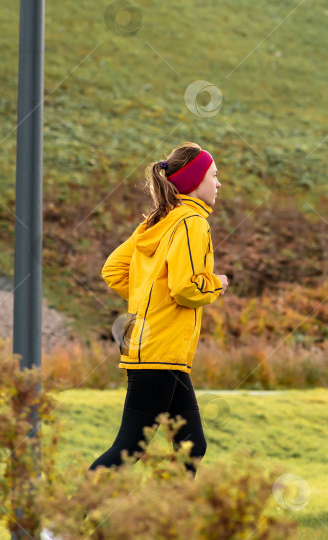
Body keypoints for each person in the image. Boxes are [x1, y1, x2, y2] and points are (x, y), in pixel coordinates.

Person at [89, 141, 228, 477]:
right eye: (214, 175)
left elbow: (113, 271)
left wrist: (151, 300)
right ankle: (60, 525)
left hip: (154, 348)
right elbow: (186, 286)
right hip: (161, 350)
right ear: (195, 181)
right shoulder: (193, 222)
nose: (219, 184)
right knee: (131, 446)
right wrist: (217, 283)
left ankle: (166, 521)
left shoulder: (156, 222)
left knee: (192, 443)